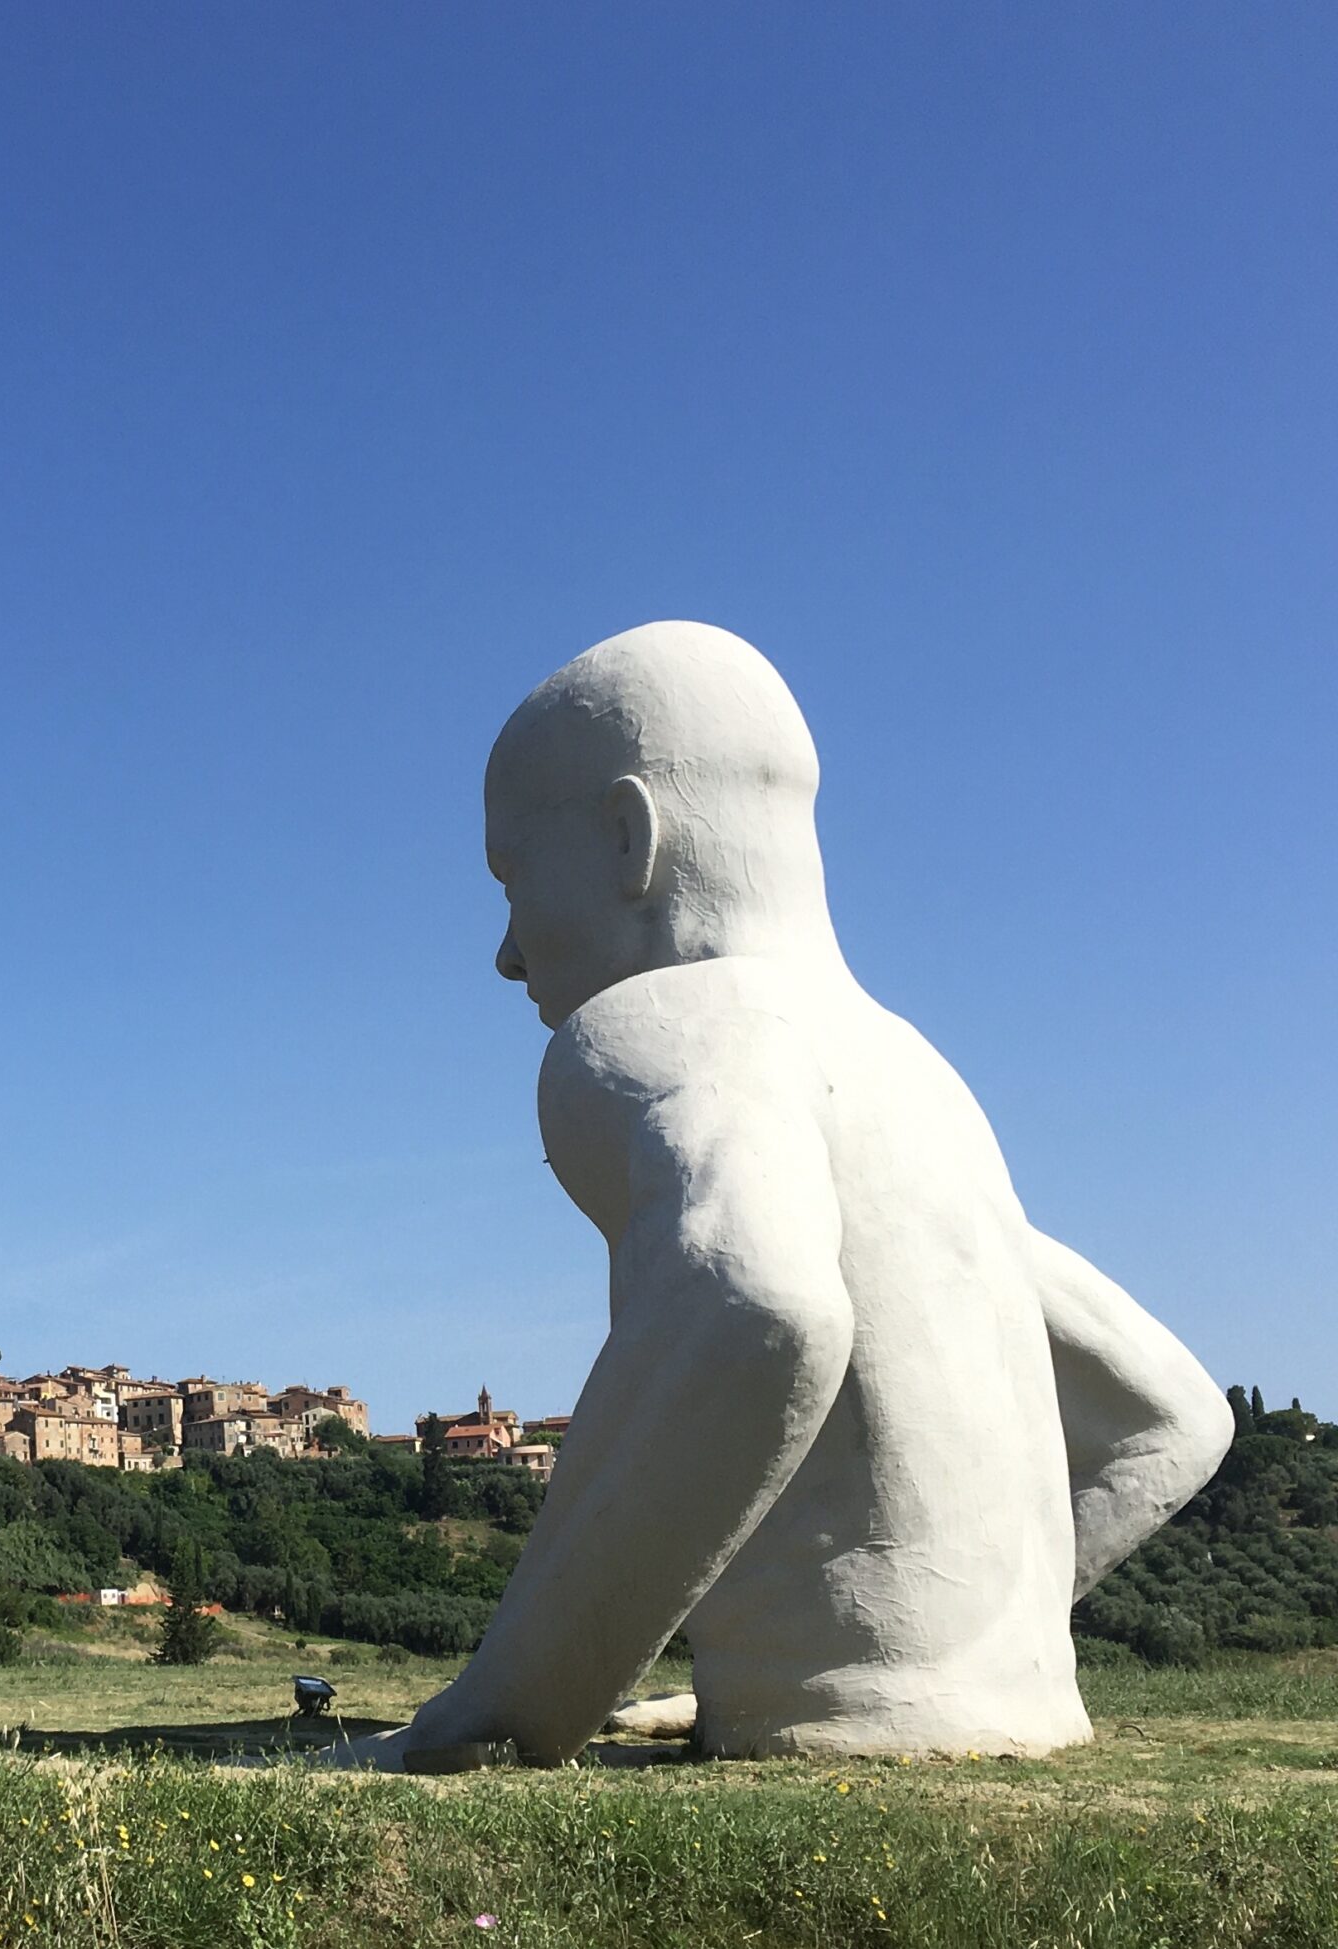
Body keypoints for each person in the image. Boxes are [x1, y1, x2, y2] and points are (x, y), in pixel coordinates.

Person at [361, 621, 1228, 1767]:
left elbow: (755, 1303)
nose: (508, 953)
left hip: (813, 1737)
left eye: (513, 878)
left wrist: (498, 1709)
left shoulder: (659, 1026)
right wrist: (936, 1662)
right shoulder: (918, 1079)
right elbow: (1176, 1417)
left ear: (629, 838)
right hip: (1026, 1713)